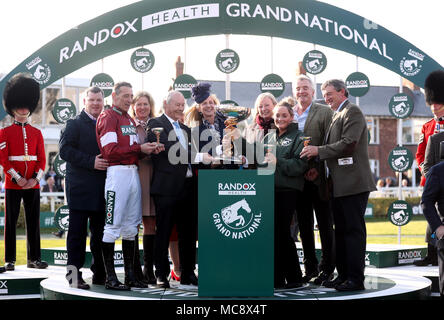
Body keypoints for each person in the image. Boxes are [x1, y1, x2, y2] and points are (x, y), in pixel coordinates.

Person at [301, 79, 376, 291]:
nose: (326, 99)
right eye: (324, 95)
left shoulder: (353, 112)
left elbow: (348, 144)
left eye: (330, 94)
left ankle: (355, 279)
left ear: (343, 92)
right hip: (338, 185)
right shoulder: (336, 114)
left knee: (353, 232)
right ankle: (343, 276)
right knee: (341, 232)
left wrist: (319, 151)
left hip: (353, 184)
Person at [96, 82, 162, 290]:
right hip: (117, 175)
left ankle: (131, 276)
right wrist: (138, 148)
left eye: (130, 96)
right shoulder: (108, 117)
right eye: (125, 95)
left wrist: (147, 150)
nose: (129, 99)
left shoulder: (128, 118)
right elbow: (110, 151)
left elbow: (131, 149)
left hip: (133, 172)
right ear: (114, 95)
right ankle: (110, 278)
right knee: (112, 225)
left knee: (131, 227)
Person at [146, 90, 212, 288]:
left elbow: (194, 152)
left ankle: (188, 273)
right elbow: (172, 150)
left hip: (189, 187)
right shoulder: (156, 124)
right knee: (164, 231)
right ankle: (161, 274)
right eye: (177, 104)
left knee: (189, 233)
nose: (181, 108)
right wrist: (200, 157)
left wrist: (216, 157)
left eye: (183, 105)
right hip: (167, 188)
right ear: (166, 104)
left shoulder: (185, 128)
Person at [59, 86, 109, 290]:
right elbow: (64, 151)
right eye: (92, 100)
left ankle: (100, 274)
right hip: (79, 189)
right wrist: (90, 162)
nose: (96, 103)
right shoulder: (74, 124)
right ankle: (73, 276)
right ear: (85, 102)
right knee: (76, 236)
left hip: (102, 189)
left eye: (99, 100)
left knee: (99, 235)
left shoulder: (106, 123)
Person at [0, 73, 47, 271]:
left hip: (33, 183)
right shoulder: (4, 133)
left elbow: (42, 160)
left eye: (26, 105)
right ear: (12, 108)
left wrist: (34, 179)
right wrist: (18, 178)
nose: (23, 108)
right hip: (13, 183)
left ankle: (34, 258)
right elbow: (3, 160)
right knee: (11, 223)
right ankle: (9, 259)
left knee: (33, 221)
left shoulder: (37, 133)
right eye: (19, 105)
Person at [291, 74, 336, 285]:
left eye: (305, 88)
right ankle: (310, 268)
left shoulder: (325, 112)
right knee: (304, 226)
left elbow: (331, 143)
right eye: (298, 88)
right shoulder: (289, 113)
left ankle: (327, 268)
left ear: (313, 91)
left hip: (319, 180)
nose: (301, 91)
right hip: (296, 180)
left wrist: (318, 165)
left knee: (325, 225)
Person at [263, 100, 307, 289]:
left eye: (284, 115)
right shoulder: (268, 137)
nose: (280, 118)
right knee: (273, 234)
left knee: (282, 232)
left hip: (288, 191)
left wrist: (278, 160)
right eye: (277, 115)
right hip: (267, 191)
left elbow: (300, 165)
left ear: (291, 117)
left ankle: (293, 277)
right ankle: (278, 278)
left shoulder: (300, 137)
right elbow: (259, 162)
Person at [414, 71, 444, 267]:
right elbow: (420, 154)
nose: (434, 107)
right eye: (431, 103)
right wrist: (427, 173)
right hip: (432, 176)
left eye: (438, 103)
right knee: (430, 215)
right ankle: (431, 252)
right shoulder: (427, 126)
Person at [129, 91, 157, 285]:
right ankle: (135, 268)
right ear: (133, 107)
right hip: (134, 175)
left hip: (154, 176)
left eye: (145, 104)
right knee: (133, 223)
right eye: (138, 104)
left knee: (150, 223)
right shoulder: (128, 126)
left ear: (150, 106)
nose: (142, 108)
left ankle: (149, 268)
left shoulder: (158, 125)